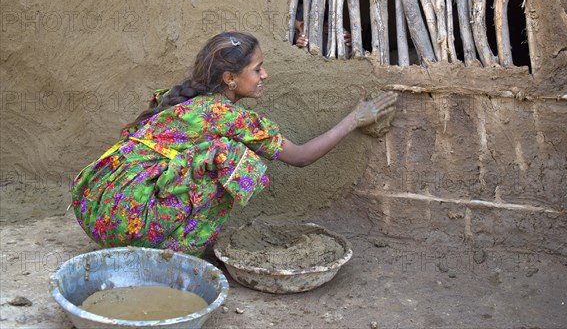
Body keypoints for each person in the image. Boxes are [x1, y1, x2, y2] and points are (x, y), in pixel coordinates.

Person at [71, 32, 397, 256]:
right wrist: (355, 118)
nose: (265, 75)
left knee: (210, 159)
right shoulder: (224, 115)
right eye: (257, 69)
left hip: (95, 204)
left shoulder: (184, 99)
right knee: (234, 160)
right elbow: (299, 157)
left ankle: (148, 240)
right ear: (230, 78)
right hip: (123, 218)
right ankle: (173, 257)